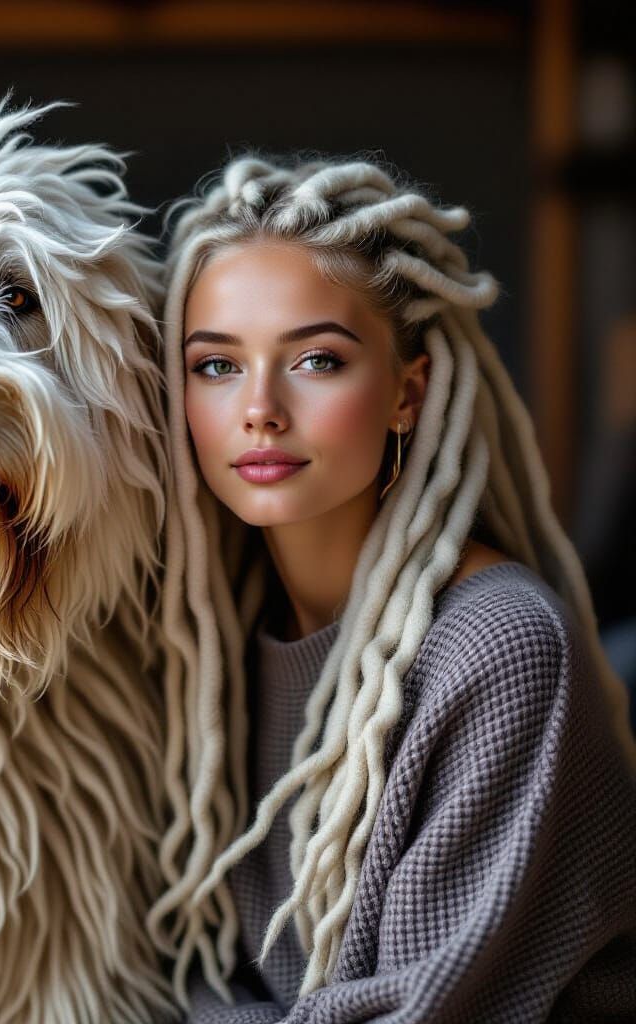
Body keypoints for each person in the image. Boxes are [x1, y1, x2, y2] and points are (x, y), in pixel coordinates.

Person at [146, 156, 636, 1022]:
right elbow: (186, 972)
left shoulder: (502, 644)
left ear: (408, 393)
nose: (259, 407)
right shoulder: (205, 648)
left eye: (317, 361)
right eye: (217, 366)